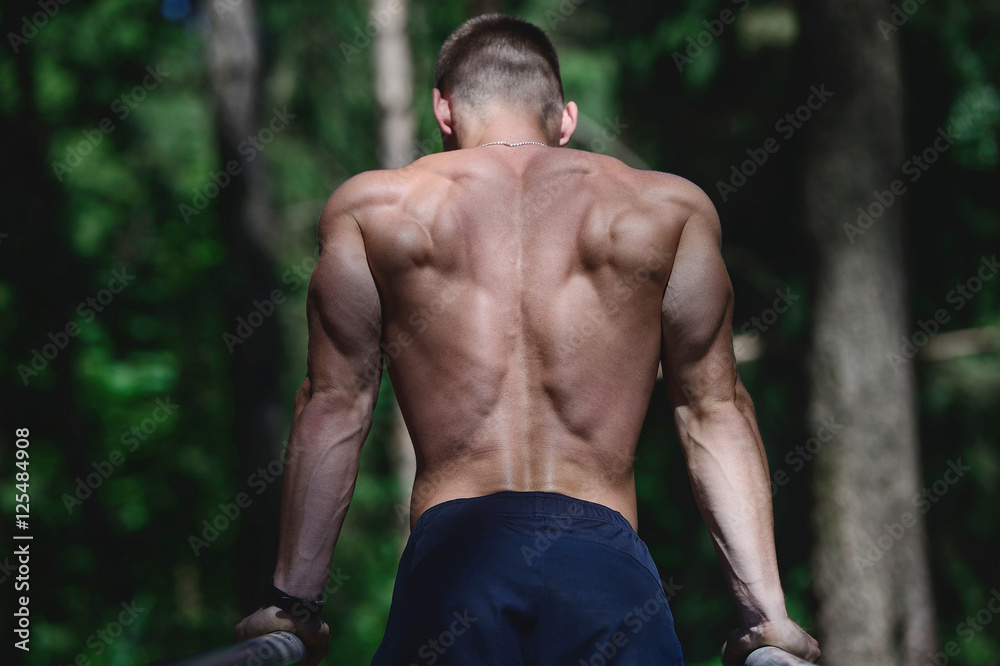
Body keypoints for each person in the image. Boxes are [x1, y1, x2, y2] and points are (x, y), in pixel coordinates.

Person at [235, 13, 820, 666]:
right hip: (606, 575)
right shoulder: (667, 210)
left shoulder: (376, 211)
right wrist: (767, 615)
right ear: (565, 119)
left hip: (455, 569)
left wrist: (293, 604)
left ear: (443, 111)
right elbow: (714, 411)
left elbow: (334, 402)